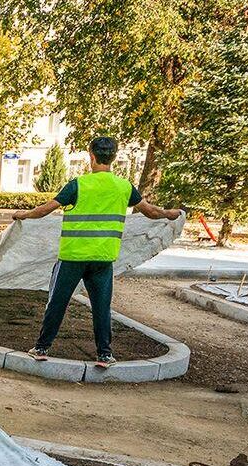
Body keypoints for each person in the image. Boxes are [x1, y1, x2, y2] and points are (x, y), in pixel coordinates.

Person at [12, 136, 182, 368]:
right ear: (113, 158)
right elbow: (150, 211)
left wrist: (23, 215)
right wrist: (169, 214)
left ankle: (41, 348)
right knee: (102, 307)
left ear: (91, 156)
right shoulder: (124, 187)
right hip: (103, 259)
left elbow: (45, 209)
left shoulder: (78, 185)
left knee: (57, 302)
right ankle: (104, 354)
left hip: (73, 257)